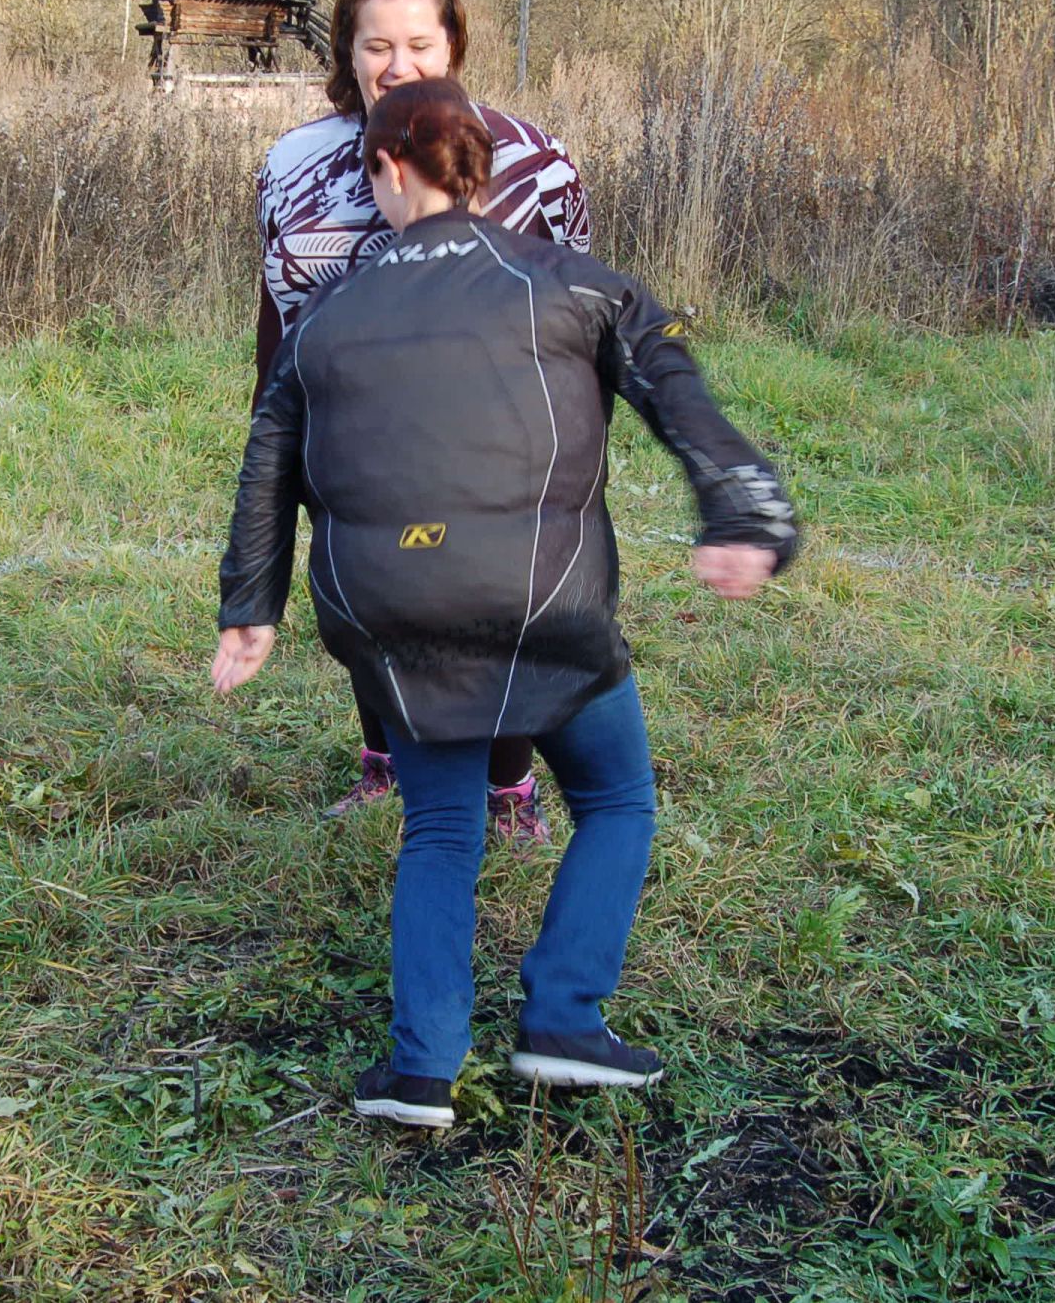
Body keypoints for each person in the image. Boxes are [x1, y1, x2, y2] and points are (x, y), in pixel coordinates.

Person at [213, 80, 799, 1129]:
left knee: (440, 826)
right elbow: (671, 381)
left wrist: (250, 607)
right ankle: (564, 1021)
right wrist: (742, 509)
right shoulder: (572, 283)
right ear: (481, 170)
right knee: (616, 799)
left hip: (390, 615)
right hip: (544, 605)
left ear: (385, 169)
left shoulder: (327, 316)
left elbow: (270, 461)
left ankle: (421, 1071)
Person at [254, 0, 593, 844]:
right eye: (377, 46)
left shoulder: (535, 163)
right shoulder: (293, 163)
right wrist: (276, 436)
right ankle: (385, 765)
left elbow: (574, 312)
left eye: (419, 43)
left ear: (452, 47)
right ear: (347, 51)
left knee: (499, 611)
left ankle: (509, 791)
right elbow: (275, 304)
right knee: (366, 599)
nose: (398, 65)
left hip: (490, 449)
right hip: (348, 440)